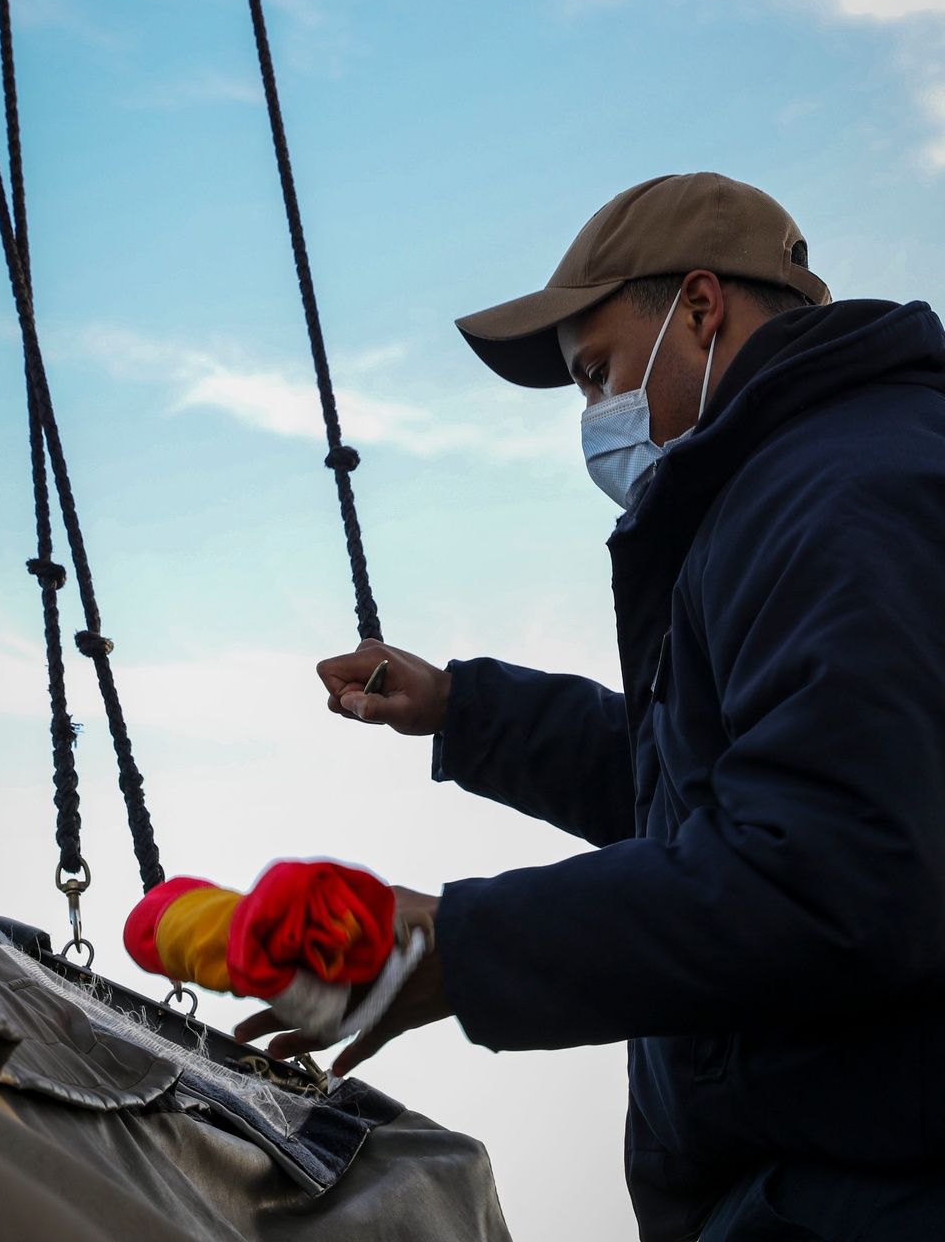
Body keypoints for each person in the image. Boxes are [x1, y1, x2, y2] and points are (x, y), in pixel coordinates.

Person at [237, 172, 945, 1241]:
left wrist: (449, 947)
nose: (593, 417)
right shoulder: (791, 486)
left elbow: (826, 873)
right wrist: (465, 709)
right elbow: (701, 795)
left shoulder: (839, 496)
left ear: (702, 308)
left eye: (597, 371)